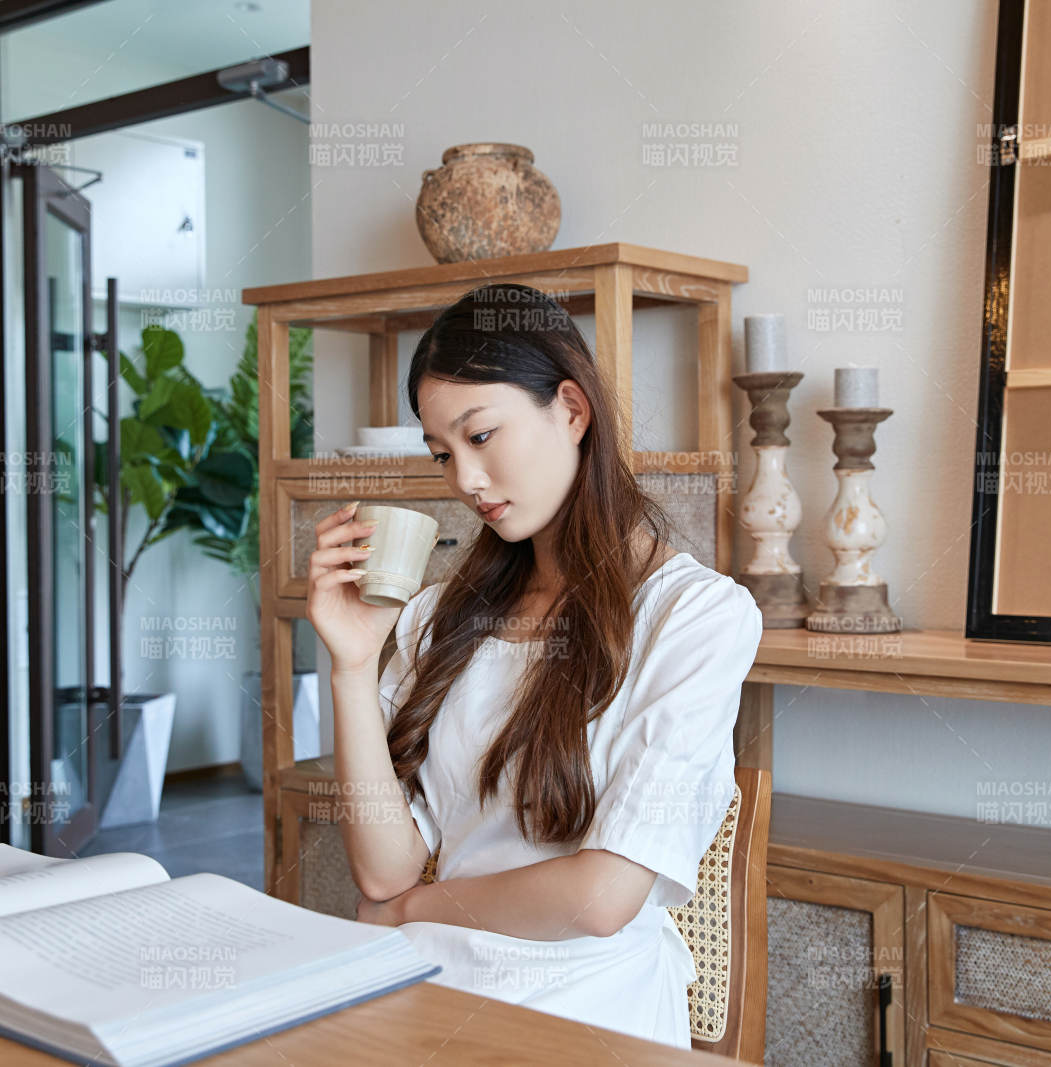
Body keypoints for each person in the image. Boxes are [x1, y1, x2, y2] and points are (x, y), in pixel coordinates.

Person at [304, 282, 763, 1049]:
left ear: (573, 410)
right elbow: (385, 872)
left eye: (482, 435)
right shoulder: (440, 615)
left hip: (586, 1009)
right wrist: (352, 666)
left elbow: (602, 897)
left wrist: (418, 910)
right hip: (422, 987)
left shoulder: (695, 616)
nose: (465, 480)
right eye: (443, 453)